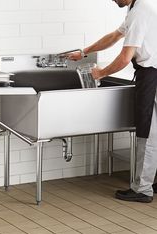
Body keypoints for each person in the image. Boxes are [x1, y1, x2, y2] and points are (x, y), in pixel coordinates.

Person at [65, 0, 157, 203]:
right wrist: (83, 52)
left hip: (152, 76)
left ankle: (142, 189)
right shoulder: (138, 8)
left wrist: (100, 73)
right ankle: (149, 183)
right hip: (151, 73)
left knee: (148, 132)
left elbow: (125, 58)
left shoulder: (140, 12)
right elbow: (115, 36)